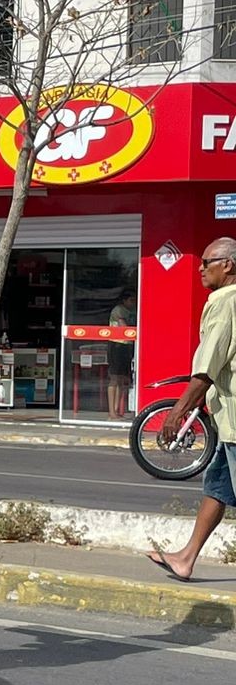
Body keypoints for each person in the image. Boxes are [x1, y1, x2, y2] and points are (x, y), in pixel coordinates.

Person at [146, 239, 236, 582]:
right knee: (218, 488)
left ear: (227, 265)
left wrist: (175, 414)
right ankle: (186, 558)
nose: (200, 268)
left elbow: (205, 371)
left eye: (207, 262)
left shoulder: (226, 303)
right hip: (228, 420)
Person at [107, 289, 138, 420]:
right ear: (124, 300)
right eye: (131, 300)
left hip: (127, 346)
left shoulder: (133, 310)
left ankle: (117, 409)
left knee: (121, 379)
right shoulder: (118, 310)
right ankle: (111, 411)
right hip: (117, 345)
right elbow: (123, 326)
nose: (133, 303)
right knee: (114, 378)